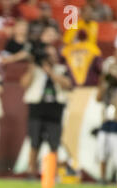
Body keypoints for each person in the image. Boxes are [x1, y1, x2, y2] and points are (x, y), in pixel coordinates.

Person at [20, 44, 72, 177]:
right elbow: (24, 84)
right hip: (37, 108)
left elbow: (67, 85)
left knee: (54, 143)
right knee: (34, 142)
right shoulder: (36, 70)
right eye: (48, 55)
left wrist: (50, 71)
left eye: (52, 55)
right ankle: (31, 172)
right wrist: (32, 66)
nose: (50, 57)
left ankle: (52, 174)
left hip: (55, 110)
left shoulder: (61, 69)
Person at [95, 44, 117, 184]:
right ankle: (102, 178)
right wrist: (106, 81)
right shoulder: (108, 80)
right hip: (106, 119)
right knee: (102, 149)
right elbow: (98, 97)